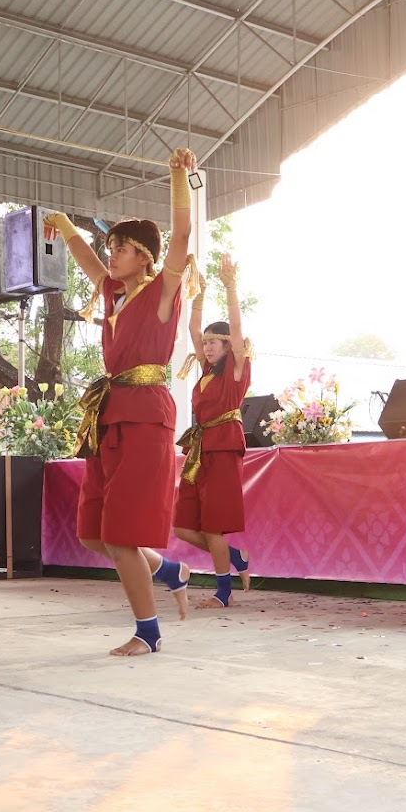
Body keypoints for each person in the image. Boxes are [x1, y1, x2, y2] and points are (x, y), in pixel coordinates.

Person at [42, 148, 199, 655]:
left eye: (123, 248)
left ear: (146, 257)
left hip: (147, 414)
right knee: (95, 534)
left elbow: (181, 238)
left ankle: (147, 633)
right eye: (112, 247)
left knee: (123, 537)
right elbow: (88, 262)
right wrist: (66, 224)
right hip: (110, 416)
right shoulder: (113, 294)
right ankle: (171, 570)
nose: (112, 256)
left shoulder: (163, 291)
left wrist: (178, 180)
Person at [173, 254, 253, 609]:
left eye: (212, 343)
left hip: (222, 448)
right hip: (200, 450)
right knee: (183, 527)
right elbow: (192, 329)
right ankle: (235, 557)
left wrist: (230, 286)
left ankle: (223, 592)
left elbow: (237, 332)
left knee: (213, 527)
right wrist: (200, 293)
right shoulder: (205, 372)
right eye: (204, 343)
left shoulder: (236, 372)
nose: (205, 346)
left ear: (227, 346)